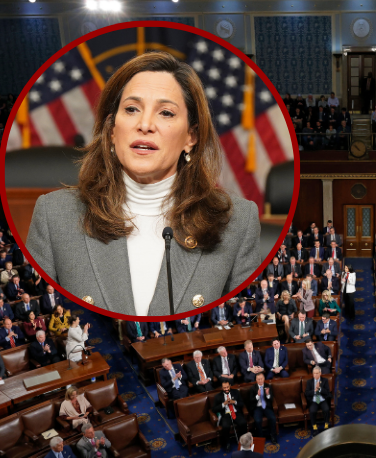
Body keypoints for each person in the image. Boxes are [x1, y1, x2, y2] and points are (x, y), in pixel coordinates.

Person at [26, 51, 260, 316]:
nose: (145, 124)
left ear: (191, 137)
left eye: (166, 113)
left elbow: (244, 321)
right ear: (112, 129)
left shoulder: (239, 221)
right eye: (131, 109)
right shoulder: (53, 215)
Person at [212, 380, 247, 451]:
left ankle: (243, 441)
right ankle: (227, 443)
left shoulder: (236, 392)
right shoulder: (218, 396)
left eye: (227, 387)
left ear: (230, 386)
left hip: (236, 412)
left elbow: (241, 403)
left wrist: (233, 402)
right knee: (225, 426)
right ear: (222, 388)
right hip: (226, 414)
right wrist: (224, 404)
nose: (226, 389)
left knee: (243, 423)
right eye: (224, 388)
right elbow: (214, 409)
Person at [250, 373, 278, 444]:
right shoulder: (253, 388)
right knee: (258, 420)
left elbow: (271, 399)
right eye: (258, 379)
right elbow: (251, 400)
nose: (260, 380)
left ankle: (272, 435)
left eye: (261, 379)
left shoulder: (268, 386)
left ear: (264, 378)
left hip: (266, 406)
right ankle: (260, 437)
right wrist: (258, 395)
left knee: (272, 418)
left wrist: (268, 394)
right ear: (256, 380)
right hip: (257, 407)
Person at [305, 366, 332, 435]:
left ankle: (326, 426)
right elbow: (307, 393)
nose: (315, 375)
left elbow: (327, 392)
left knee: (326, 409)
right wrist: (314, 391)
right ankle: (315, 428)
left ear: (320, 373)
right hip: (314, 400)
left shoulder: (325, 380)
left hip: (322, 399)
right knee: (312, 411)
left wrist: (319, 389)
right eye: (314, 373)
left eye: (317, 373)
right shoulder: (309, 382)